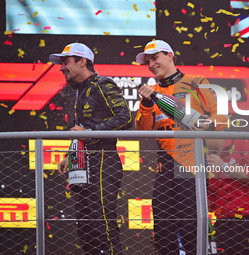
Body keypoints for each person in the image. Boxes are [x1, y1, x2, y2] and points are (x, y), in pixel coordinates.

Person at [135, 40, 227, 254]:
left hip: (192, 163)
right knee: (163, 227)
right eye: (147, 61)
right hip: (165, 165)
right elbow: (143, 130)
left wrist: (198, 124)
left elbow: (220, 118)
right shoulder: (152, 91)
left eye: (155, 58)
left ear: (169, 55)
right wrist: (147, 104)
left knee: (191, 226)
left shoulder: (196, 81)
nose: (151, 64)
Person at [52, 42, 132, 255]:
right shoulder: (80, 90)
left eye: (66, 62)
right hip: (82, 164)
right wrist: (70, 155)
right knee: (85, 227)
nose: (61, 68)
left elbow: (125, 119)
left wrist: (91, 131)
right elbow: (81, 129)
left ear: (82, 61)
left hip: (104, 160)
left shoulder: (102, 84)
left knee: (102, 222)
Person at [206, 139, 249, 255]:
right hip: (223, 222)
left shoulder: (243, 142)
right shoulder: (208, 154)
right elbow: (211, 199)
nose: (203, 140)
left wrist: (224, 166)